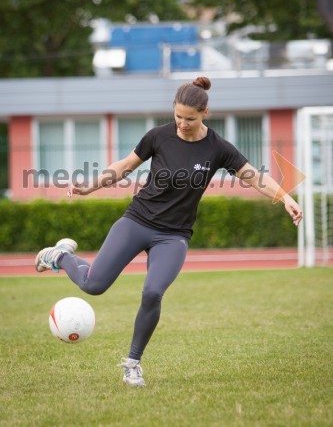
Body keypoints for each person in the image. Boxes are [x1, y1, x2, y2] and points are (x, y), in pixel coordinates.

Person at [35, 76, 303, 387]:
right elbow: (124, 166)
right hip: (137, 221)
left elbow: (255, 177)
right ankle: (60, 256)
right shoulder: (159, 137)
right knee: (93, 285)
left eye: (189, 119)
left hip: (173, 236)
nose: (182, 124)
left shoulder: (218, 148)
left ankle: (132, 363)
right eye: (177, 117)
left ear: (205, 113)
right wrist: (90, 186)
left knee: (152, 293)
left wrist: (285, 197)